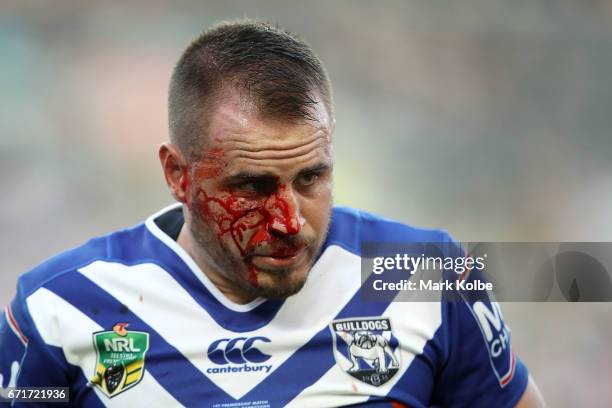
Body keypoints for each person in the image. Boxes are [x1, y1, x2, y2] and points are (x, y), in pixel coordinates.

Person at [0, 20, 545, 407]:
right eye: (252, 185)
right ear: (177, 175)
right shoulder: (56, 308)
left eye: (310, 177)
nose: (288, 220)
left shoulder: (428, 273)